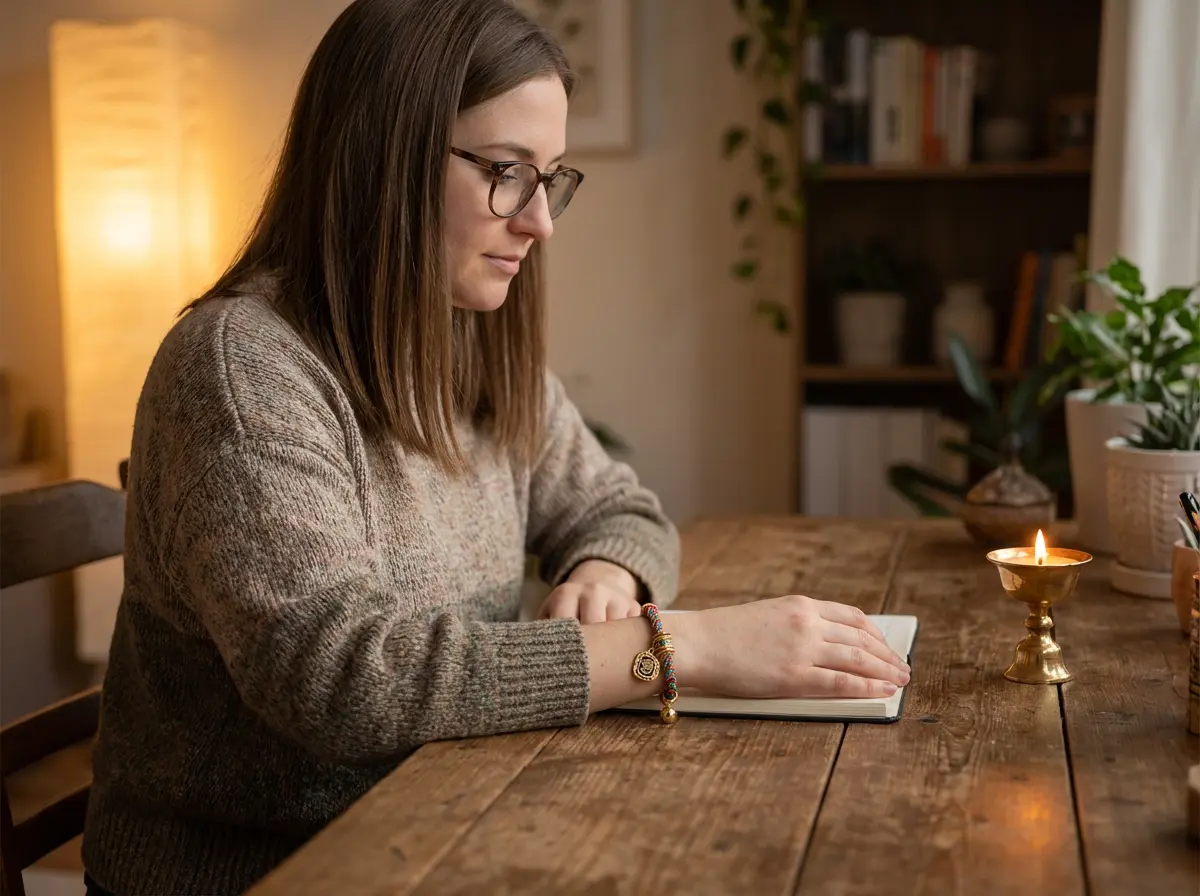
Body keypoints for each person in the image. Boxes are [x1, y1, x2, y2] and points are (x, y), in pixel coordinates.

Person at [80, 1, 911, 893]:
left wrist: (606, 575)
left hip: (444, 819)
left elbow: (617, 508)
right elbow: (342, 680)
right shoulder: (240, 368)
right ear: (381, 157)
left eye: (550, 178)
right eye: (506, 173)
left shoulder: (462, 339)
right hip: (272, 870)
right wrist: (679, 648)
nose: (540, 222)